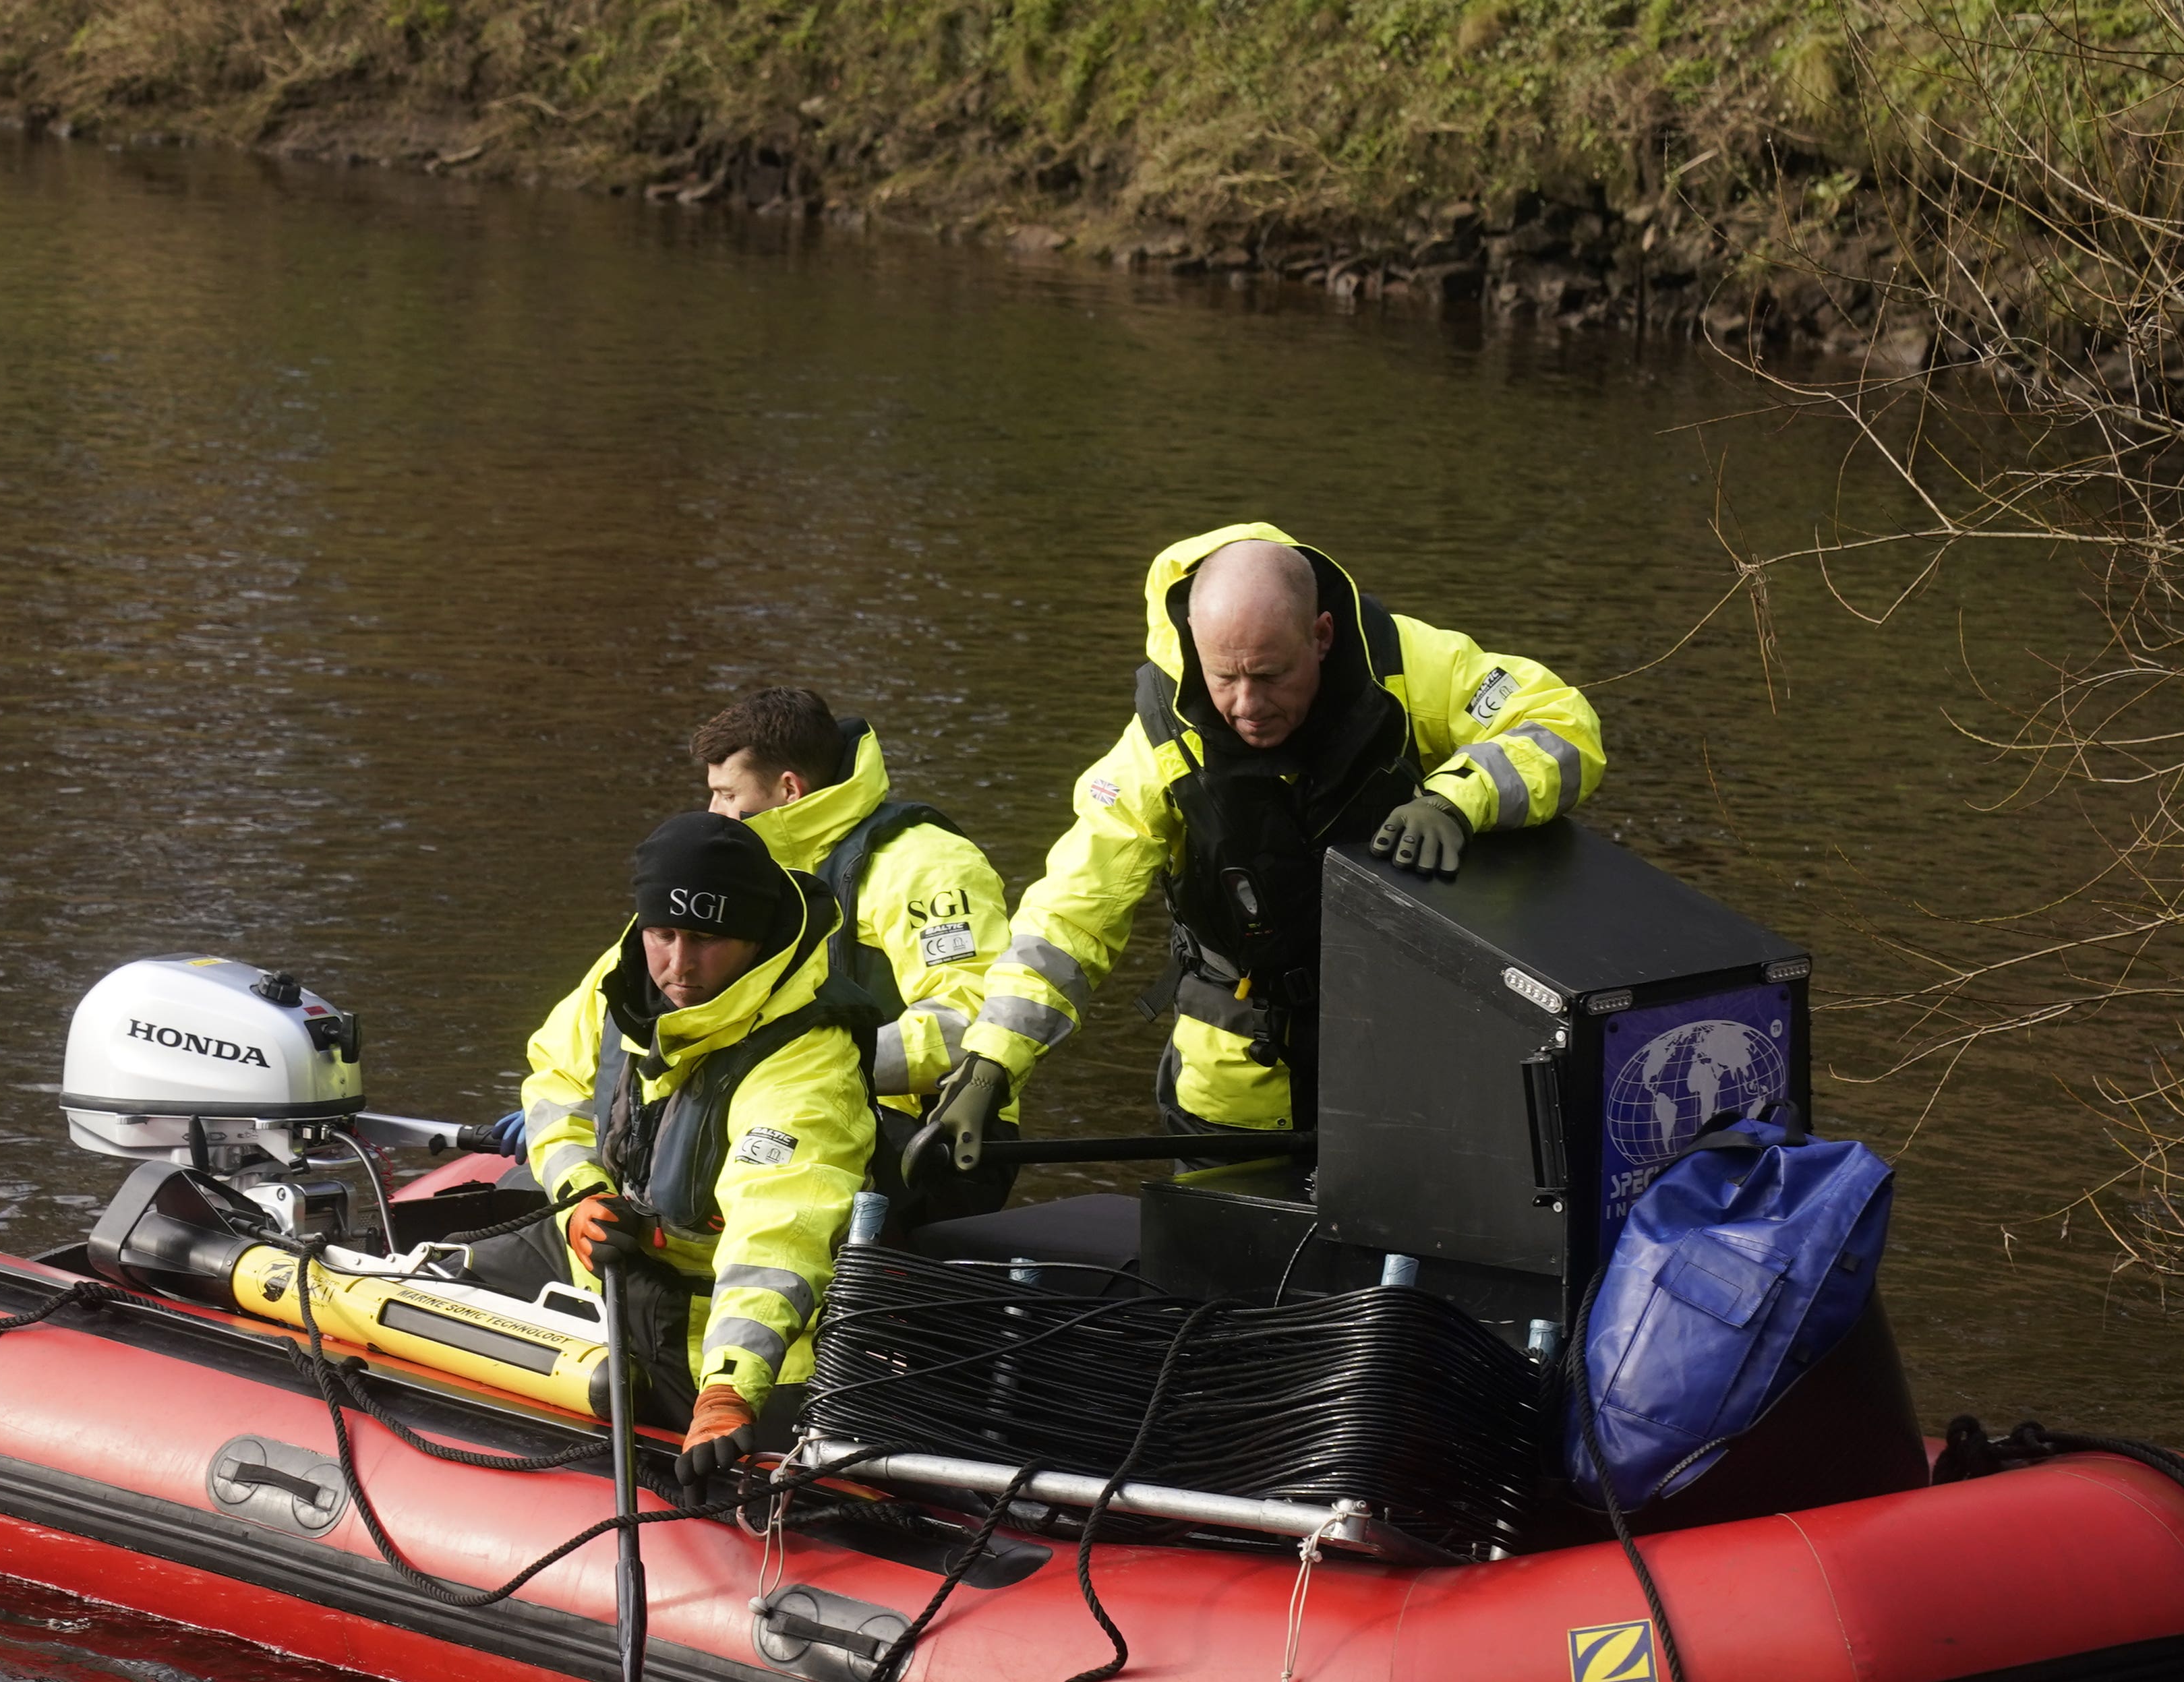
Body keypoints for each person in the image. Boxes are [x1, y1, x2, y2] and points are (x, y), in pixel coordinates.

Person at [911, 524, 1605, 1162]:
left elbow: (1559, 726)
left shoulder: (1411, 667)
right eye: (1225, 678)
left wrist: (1457, 798)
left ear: (1322, 635)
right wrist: (990, 1059)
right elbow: (1071, 911)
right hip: (1234, 1074)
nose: (1247, 704)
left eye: (1271, 675)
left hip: (1409, 1050)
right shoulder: (1159, 742)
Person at [480, 812, 876, 1485]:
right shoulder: (623, 975)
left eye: (706, 939)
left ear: (753, 936)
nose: (678, 963)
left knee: (720, 1464)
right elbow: (556, 1085)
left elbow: (778, 1235)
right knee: (447, 1279)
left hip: (704, 1319)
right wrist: (579, 1192)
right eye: (663, 934)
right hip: (598, 1263)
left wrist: (729, 1386)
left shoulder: (806, 1062)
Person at [691, 687, 1020, 1225]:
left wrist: (804, 1065)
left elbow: (973, 1026)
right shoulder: (754, 867)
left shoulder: (927, 866)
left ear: (789, 789)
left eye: (727, 794)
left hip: (932, 1137)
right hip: (796, 1106)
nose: (714, 812)